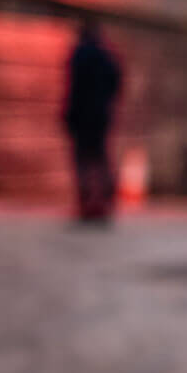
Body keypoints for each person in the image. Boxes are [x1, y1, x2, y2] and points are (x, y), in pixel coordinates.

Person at [60, 17, 122, 224]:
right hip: (100, 116)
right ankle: (103, 200)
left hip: (83, 116)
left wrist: (69, 114)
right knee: (99, 158)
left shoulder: (80, 54)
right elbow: (116, 84)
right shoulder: (107, 56)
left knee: (84, 159)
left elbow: (74, 87)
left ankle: (87, 202)